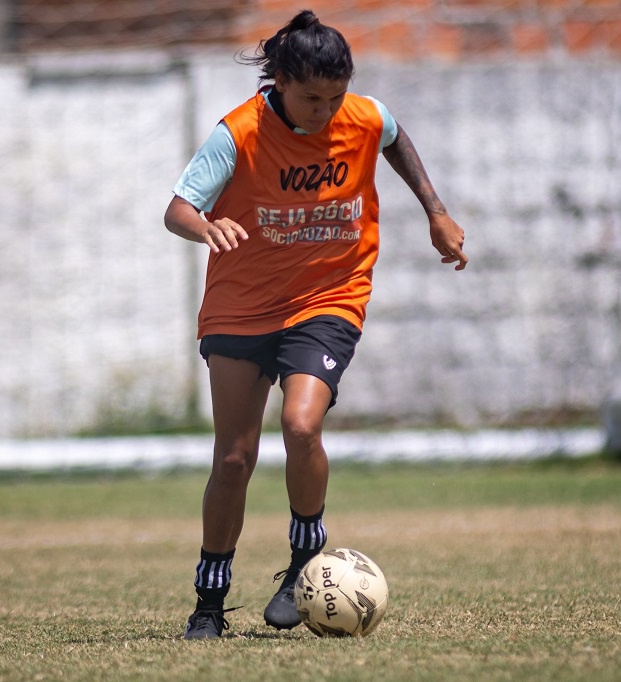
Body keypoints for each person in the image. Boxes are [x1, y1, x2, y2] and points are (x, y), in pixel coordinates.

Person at [164, 9, 467, 640]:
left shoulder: (362, 114)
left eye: (336, 96)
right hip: (242, 305)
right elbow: (177, 209)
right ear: (277, 81)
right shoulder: (239, 133)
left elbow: (393, 136)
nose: (326, 111)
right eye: (311, 97)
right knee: (235, 457)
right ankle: (209, 603)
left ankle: (306, 558)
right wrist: (206, 225)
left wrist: (435, 212)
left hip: (329, 296)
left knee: (301, 424)